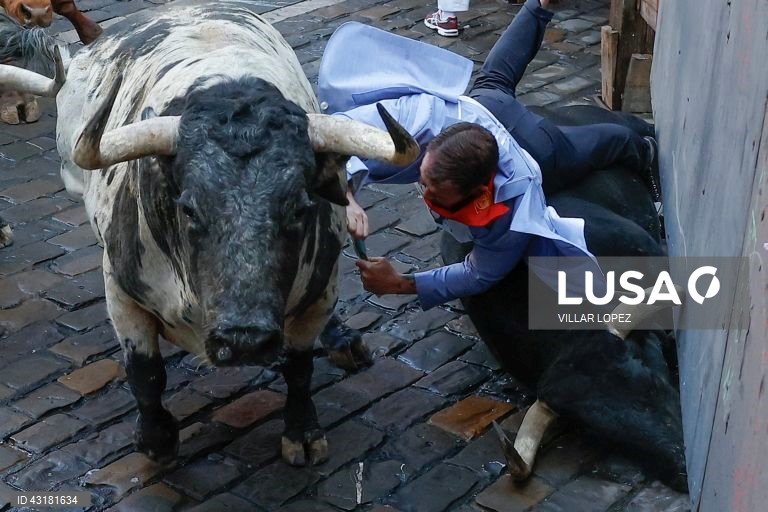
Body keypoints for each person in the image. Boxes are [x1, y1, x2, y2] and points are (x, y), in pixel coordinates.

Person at [317, 0, 659, 310]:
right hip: (483, 107)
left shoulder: (511, 211)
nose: (426, 193)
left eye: (437, 192)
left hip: (533, 144)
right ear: (435, 141)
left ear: (481, 193)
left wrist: (400, 284)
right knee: (494, 80)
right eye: (425, 180)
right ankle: (539, 5)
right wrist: (348, 196)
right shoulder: (419, 115)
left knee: (606, 141)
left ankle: (643, 148)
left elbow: (479, 273)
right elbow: (348, 130)